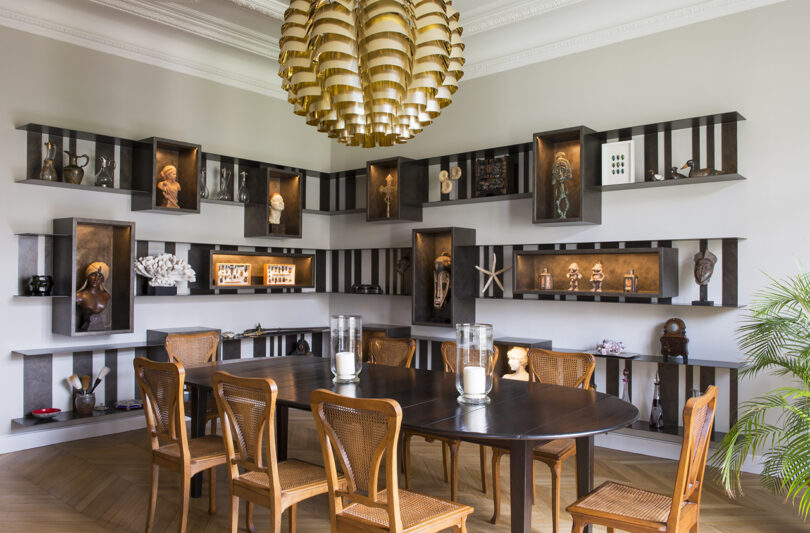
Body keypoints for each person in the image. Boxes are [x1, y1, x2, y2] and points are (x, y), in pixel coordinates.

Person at [75, 261, 111, 331]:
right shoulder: (79, 296)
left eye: (100, 276)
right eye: (94, 275)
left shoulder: (106, 295)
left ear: (103, 280)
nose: (96, 279)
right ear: (88, 276)